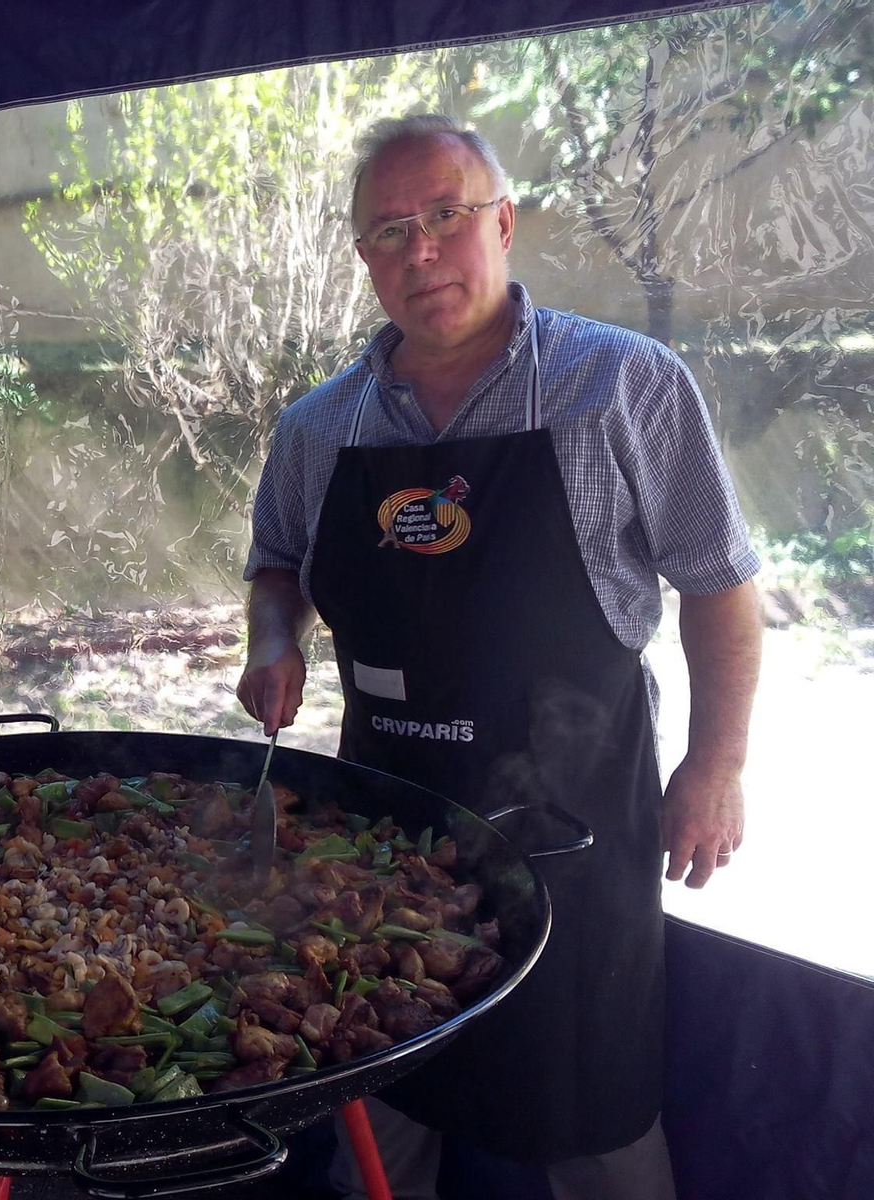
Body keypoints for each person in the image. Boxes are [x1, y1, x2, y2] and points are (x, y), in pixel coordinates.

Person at [236, 115, 762, 1200]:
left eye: (444, 216)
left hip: (572, 822)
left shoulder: (622, 385)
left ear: (504, 224)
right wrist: (272, 641)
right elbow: (275, 565)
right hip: (380, 824)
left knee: (591, 1112)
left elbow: (718, 583)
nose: (418, 250)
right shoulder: (317, 429)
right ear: (364, 260)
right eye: (388, 230)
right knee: (387, 1084)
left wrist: (714, 767)